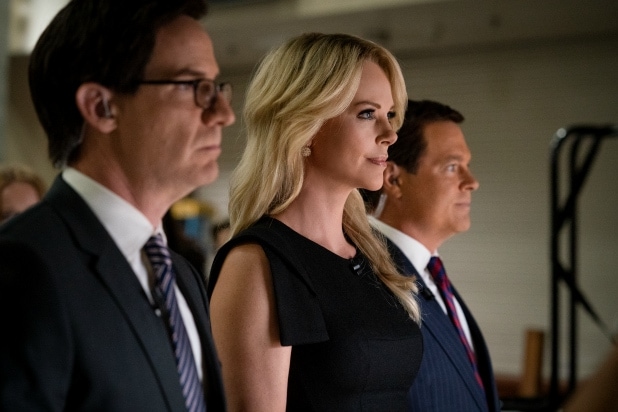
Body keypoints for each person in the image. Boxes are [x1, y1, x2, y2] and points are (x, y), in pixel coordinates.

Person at [0, 0, 235, 410]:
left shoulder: (180, 275)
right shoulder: (23, 265)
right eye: (194, 86)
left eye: (216, 87)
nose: (224, 113)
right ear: (102, 107)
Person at [207, 32, 423, 411]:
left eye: (389, 115)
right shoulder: (257, 264)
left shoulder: (371, 256)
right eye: (367, 114)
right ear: (306, 123)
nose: (390, 134)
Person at [361, 99, 501, 411]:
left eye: (467, 165)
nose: (472, 182)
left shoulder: (429, 271)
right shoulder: (364, 276)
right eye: (452, 167)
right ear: (393, 179)